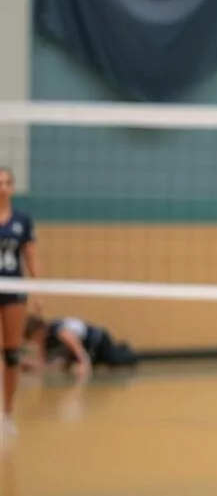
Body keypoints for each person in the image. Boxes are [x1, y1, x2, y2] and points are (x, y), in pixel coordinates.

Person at [0, 167, 40, 438]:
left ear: (13, 187)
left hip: (14, 290)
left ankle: (8, 414)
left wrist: (38, 291)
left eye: (6, 182)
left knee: (12, 354)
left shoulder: (23, 220)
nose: (2, 187)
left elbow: (31, 258)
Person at [22, 314, 139, 376]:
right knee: (102, 364)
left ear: (39, 330)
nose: (33, 342)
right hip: (89, 348)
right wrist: (25, 363)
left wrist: (84, 363)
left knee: (116, 360)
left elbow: (75, 345)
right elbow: (42, 362)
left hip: (97, 340)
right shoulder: (44, 339)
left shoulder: (58, 331)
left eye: (33, 338)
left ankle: (127, 350)